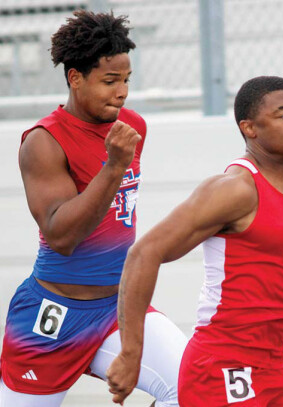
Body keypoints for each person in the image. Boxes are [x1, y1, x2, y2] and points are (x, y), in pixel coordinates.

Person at [105, 75, 283, 406]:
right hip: (222, 368)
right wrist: (131, 353)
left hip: (275, 372)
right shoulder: (235, 189)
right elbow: (144, 253)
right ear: (250, 128)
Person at [0, 10, 187, 407]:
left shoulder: (130, 127)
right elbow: (61, 236)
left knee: (192, 386)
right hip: (52, 314)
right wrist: (114, 167)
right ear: (75, 78)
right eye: (109, 81)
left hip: (116, 308)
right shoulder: (43, 141)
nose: (121, 92)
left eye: (126, 80)